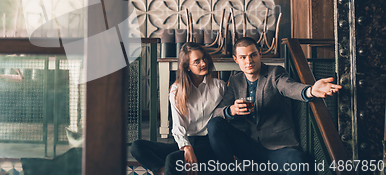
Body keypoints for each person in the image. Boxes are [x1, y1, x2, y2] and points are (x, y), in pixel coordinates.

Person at [207, 37, 342, 175]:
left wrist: (310, 90)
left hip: (278, 149)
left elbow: (289, 87)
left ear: (260, 53)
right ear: (236, 60)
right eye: (243, 57)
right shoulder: (236, 80)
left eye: (253, 55)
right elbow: (217, 114)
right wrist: (231, 110)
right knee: (214, 124)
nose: (249, 61)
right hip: (251, 146)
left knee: (300, 162)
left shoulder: (275, 73)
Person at [131, 42, 226, 175]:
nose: (203, 63)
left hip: (208, 143)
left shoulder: (219, 87)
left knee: (172, 159)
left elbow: (224, 119)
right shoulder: (177, 90)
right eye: (197, 61)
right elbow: (178, 126)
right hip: (186, 140)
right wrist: (187, 147)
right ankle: (163, 171)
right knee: (137, 146)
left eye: (204, 58)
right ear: (187, 67)